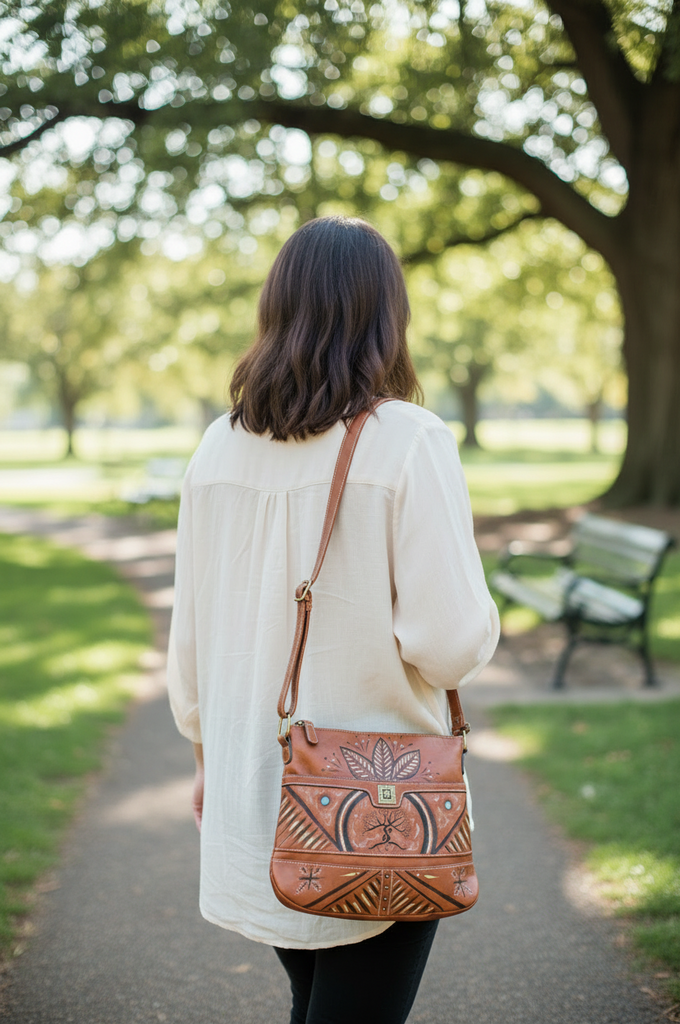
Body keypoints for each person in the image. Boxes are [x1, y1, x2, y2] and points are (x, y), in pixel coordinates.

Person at [167, 216, 500, 1024]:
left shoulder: (218, 446)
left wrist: (207, 755)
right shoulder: (408, 440)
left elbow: (190, 642)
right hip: (379, 802)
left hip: (257, 782)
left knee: (315, 1001)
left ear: (277, 308)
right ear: (386, 314)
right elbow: (450, 643)